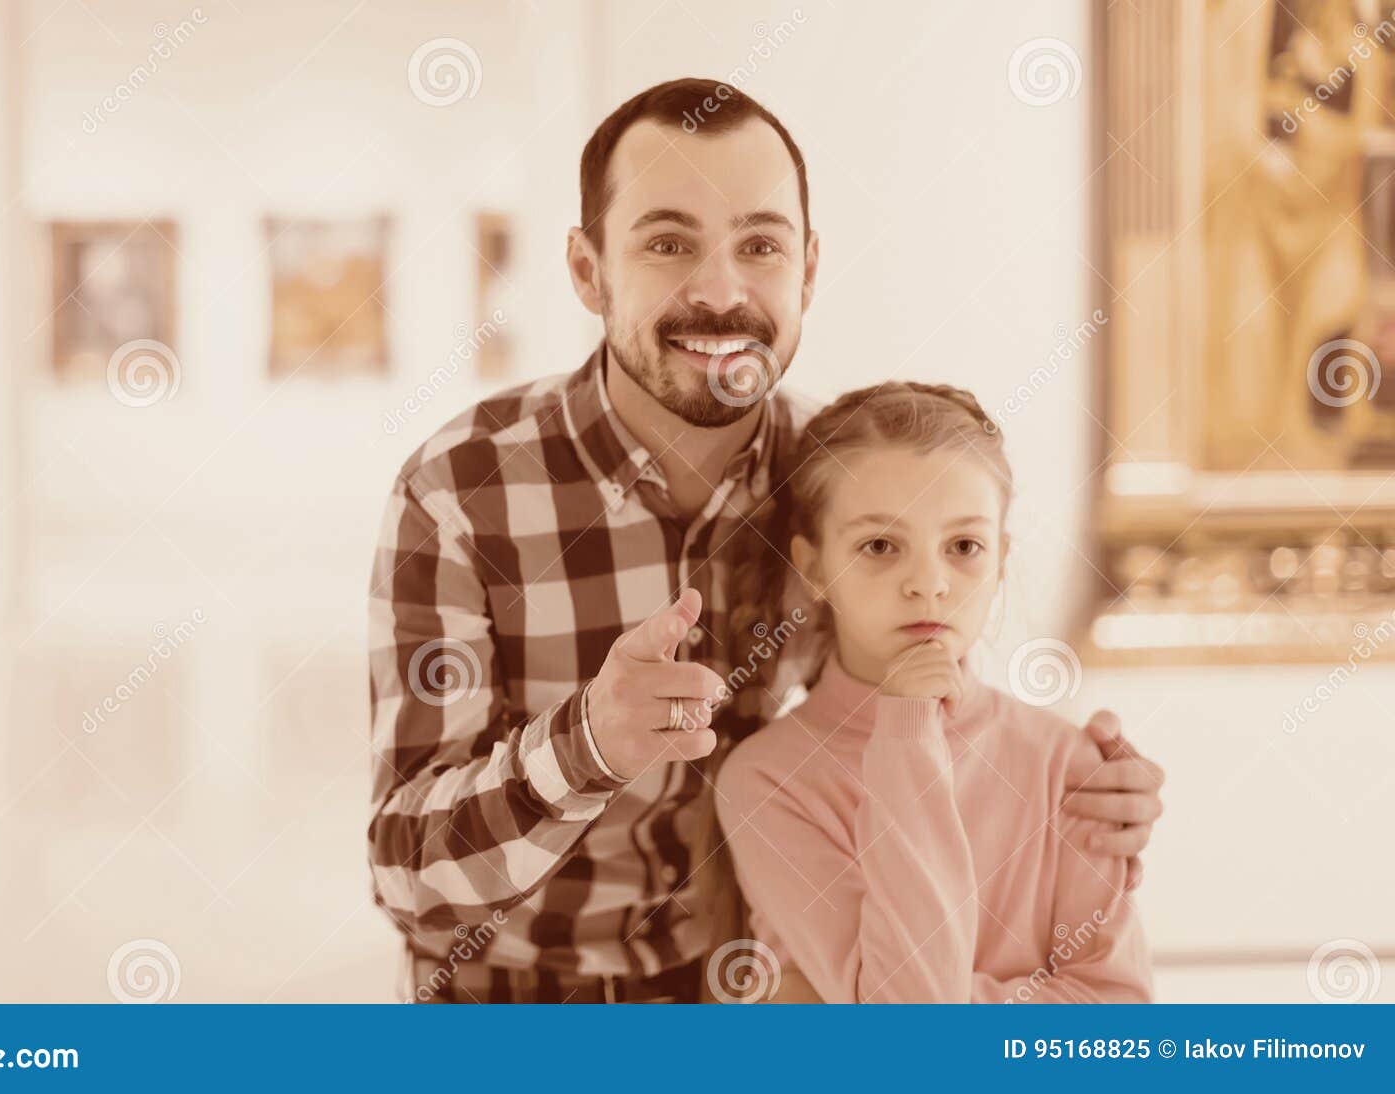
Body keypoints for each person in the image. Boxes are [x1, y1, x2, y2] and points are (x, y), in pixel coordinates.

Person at [366, 77, 1164, 1003]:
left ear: (809, 271)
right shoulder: (462, 488)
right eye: (668, 244)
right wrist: (589, 742)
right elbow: (407, 881)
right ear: (588, 271)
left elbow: (929, 699)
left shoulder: (845, 482)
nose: (720, 290)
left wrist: (1090, 795)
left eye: (760, 245)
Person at [714, 382, 1154, 1003]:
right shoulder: (767, 783)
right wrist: (907, 734)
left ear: (1000, 560)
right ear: (813, 569)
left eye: (964, 547)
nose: (928, 583)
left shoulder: (1070, 766)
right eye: (879, 546)